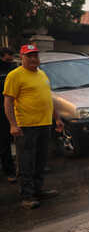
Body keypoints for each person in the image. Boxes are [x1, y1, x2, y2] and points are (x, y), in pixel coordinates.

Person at [4, 44, 64, 209]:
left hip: (45, 124)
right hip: (26, 126)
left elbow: (48, 98)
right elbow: (8, 101)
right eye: (28, 56)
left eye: (35, 55)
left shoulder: (42, 74)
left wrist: (57, 119)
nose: (32, 59)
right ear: (21, 57)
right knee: (25, 162)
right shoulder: (15, 75)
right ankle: (26, 196)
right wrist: (13, 125)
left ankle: (38, 190)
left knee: (40, 161)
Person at [0, 48, 17, 183]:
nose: (10, 63)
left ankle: (29, 167)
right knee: (4, 142)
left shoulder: (14, 68)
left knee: (23, 141)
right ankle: (9, 171)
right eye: (7, 60)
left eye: (11, 60)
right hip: (1, 112)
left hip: (17, 109)